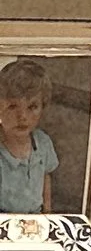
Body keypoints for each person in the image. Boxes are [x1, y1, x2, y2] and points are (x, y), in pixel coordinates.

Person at [0, 56, 57, 214]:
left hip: (34, 218)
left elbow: (46, 176)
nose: (23, 116)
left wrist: (47, 211)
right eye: (12, 107)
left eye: (32, 107)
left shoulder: (43, 143)